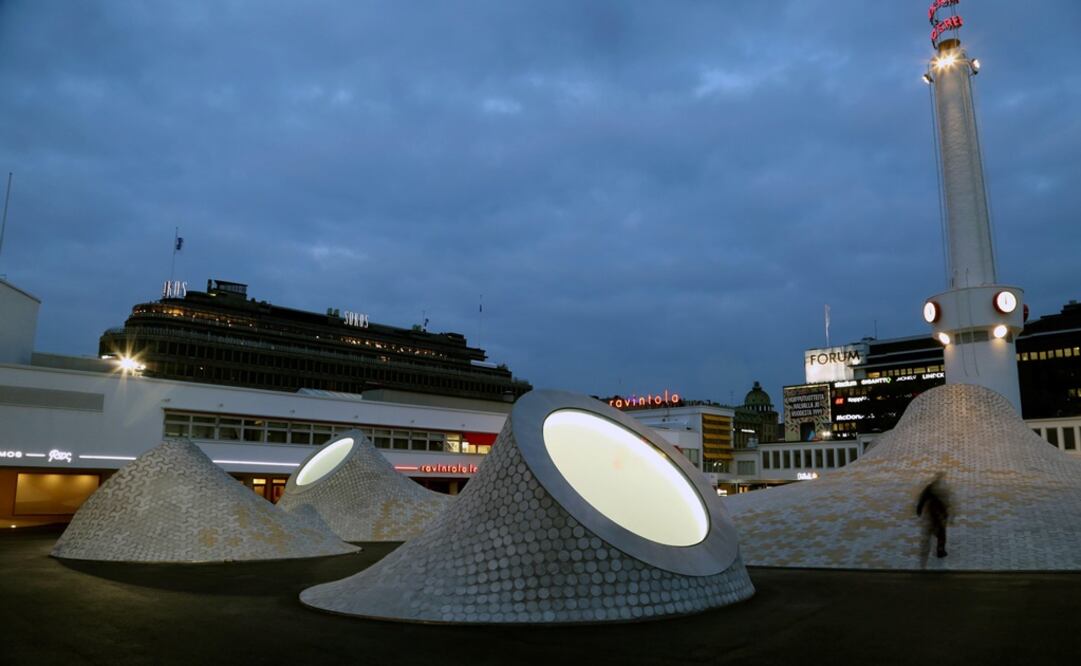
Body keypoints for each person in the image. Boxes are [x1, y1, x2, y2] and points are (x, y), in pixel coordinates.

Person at [916, 474, 950, 564]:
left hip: (932, 517)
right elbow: (943, 506)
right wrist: (946, 515)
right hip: (936, 517)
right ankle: (940, 551)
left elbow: (922, 500)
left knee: (935, 533)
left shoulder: (929, 490)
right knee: (941, 534)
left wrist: (919, 509)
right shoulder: (936, 494)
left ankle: (933, 550)